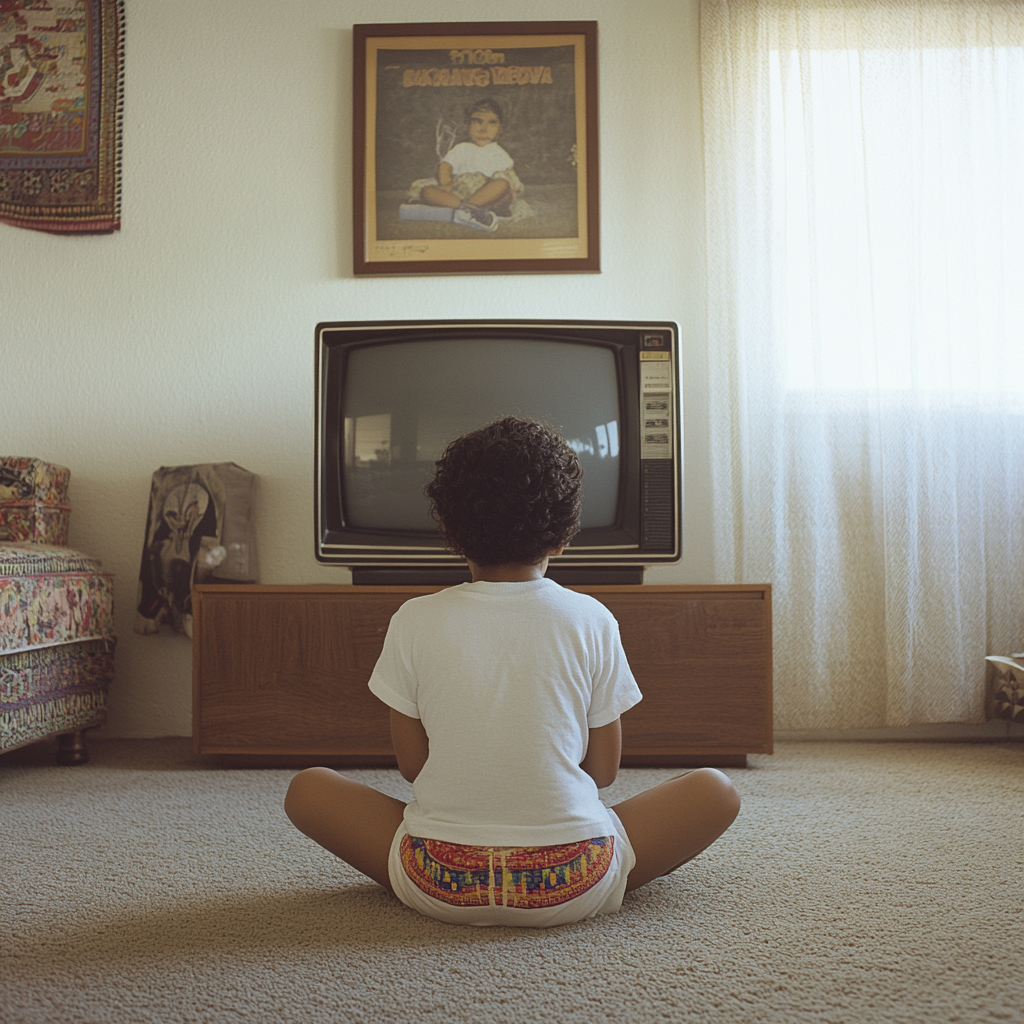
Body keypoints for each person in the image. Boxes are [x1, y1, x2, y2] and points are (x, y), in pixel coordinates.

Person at [285, 417, 740, 927]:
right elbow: (604, 771)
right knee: (715, 791)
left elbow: (414, 767)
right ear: (562, 536)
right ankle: (587, 855)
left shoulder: (414, 617)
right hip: (575, 878)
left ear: (451, 532)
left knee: (308, 789)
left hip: (437, 877)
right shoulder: (592, 618)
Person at [409, 98, 522, 232]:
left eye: (492, 123)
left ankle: (471, 207)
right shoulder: (462, 148)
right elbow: (445, 165)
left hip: (487, 195)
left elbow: (509, 175)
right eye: (477, 122)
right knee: (427, 191)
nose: (484, 129)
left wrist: (512, 190)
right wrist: (446, 183)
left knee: (502, 184)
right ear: (467, 125)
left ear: (500, 129)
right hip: (459, 192)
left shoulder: (498, 152)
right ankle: (466, 209)